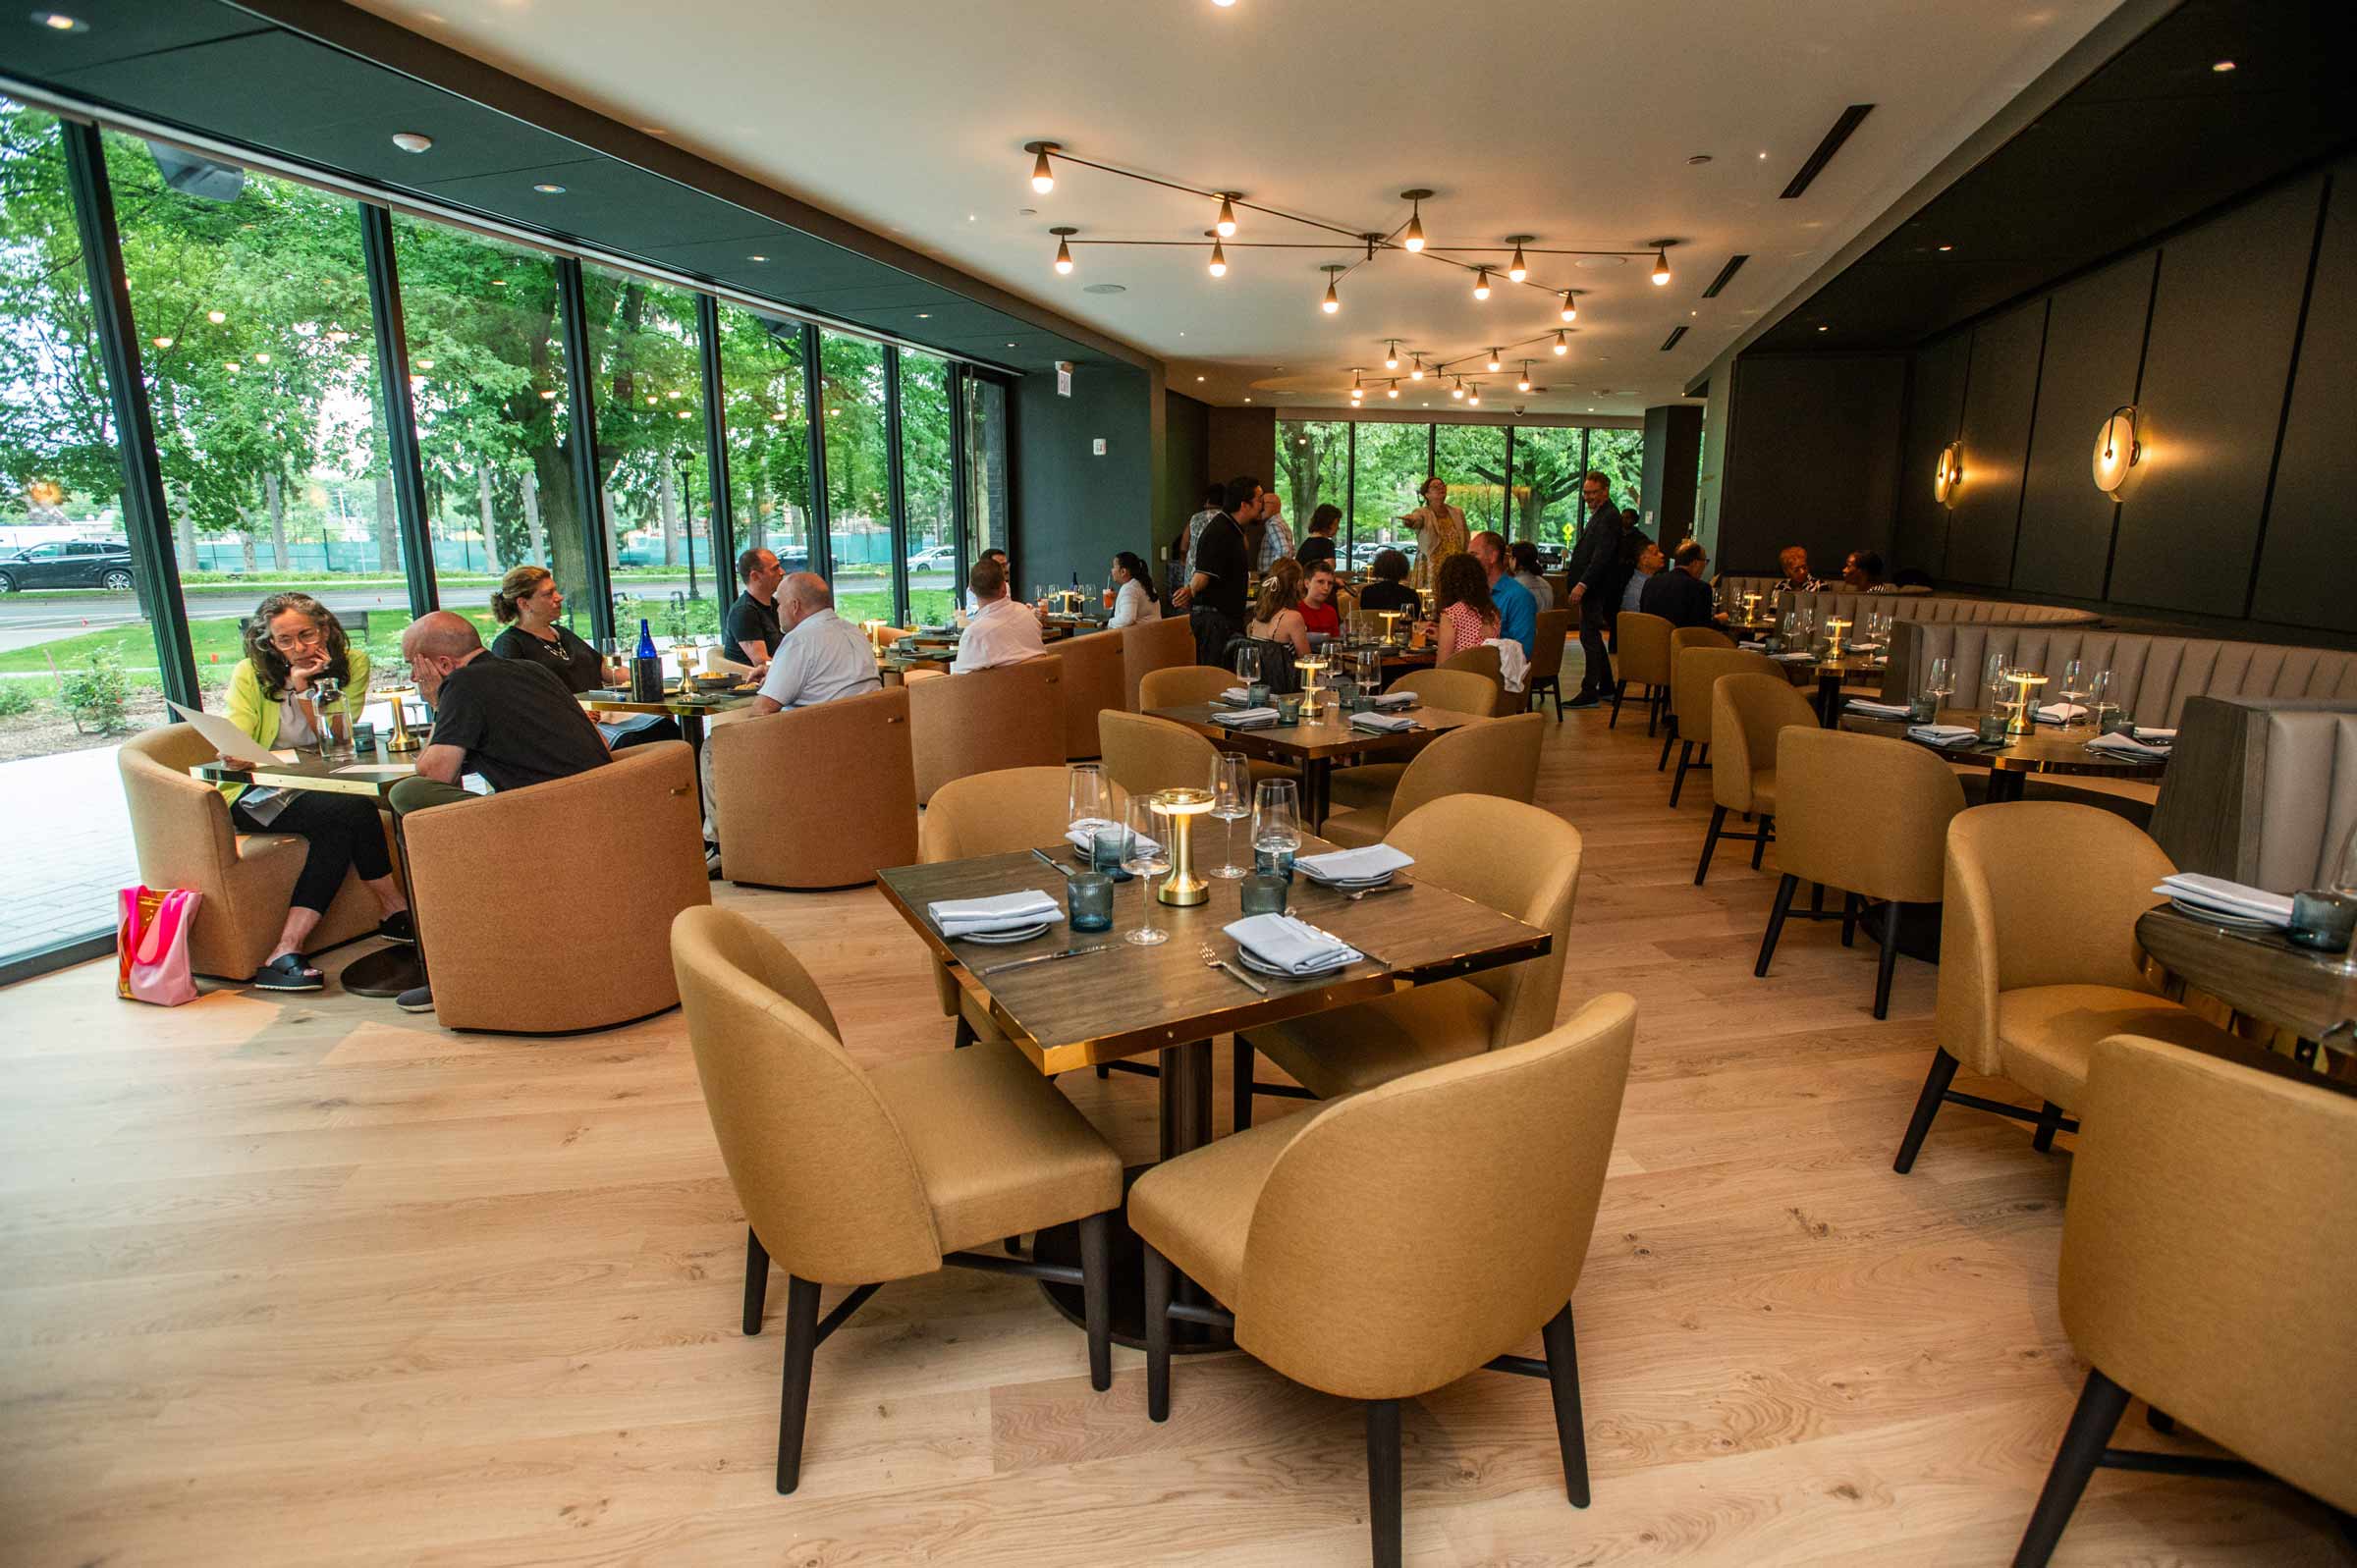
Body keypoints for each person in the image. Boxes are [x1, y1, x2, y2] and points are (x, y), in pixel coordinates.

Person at [386, 612, 616, 1012]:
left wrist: (435, 699)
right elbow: (598, 741)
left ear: (440, 664)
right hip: (600, 808)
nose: (412, 677)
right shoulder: (530, 669)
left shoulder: (462, 683)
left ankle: (443, 963)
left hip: (542, 822)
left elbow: (435, 773)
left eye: (413, 665)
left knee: (408, 794)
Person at [218, 592, 410, 992]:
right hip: (256, 795)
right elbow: (236, 732)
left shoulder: (352, 664)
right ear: (268, 642)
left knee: (342, 822)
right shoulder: (248, 674)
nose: (298, 647)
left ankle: (286, 950)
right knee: (352, 811)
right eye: (284, 640)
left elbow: (337, 738)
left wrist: (307, 689)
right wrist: (233, 750)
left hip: (320, 788)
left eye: (306, 635)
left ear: (324, 628)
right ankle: (396, 910)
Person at [487, 565, 677, 749]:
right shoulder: (509, 645)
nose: (559, 597)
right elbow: (520, 700)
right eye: (548, 593)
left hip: (603, 715)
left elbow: (605, 669)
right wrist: (572, 712)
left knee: (665, 728)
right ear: (524, 603)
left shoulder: (561, 633)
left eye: (556, 591)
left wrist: (653, 681)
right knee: (636, 740)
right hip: (566, 725)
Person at [1170, 475, 1259, 665]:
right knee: (1216, 677)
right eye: (1259, 500)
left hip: (1224, 619)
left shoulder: (1233, 528)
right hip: (1215, 621)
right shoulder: (1220, 531)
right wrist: (1189, 590)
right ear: (1244, 505)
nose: (1262, 505)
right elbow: (1203, 574)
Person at [1562, 469, 1626, 709]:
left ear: (1605, 491)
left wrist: (1582, 584)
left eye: (1593, 493)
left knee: (1589, 637)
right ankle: (1607, 686)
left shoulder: (1609, 517)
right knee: (1591, 637)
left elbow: (1601, 556)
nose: (1588, 498)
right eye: (1585, 493)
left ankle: (1590, 690)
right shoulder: (1602, 514)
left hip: (1596, 589)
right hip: (1595, 588)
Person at [951, 555, 1048, 673]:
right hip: (1042, 685)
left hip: (1001, 690)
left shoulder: (974, 634)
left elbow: (960, 684)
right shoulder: (1026, 614)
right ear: (1004, 588)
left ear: (971, 589)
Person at [1469, 530, 1536, 660]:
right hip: (1473, 663)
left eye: (1474, 555)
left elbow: (1522, 651)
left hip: (1496, 672)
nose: (1468, 561)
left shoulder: (1519, 596)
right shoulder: (1474, 592)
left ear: (1493, 557)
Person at [1640, 540, 1730, 630]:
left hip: (1652, 640)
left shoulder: (1650, 582)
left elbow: (1645, 619)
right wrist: (1718, 620)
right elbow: (1702, 629)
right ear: (1696, 563)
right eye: (1705, 561)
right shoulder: (1701, 588)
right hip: (1683, 643)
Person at [1430, 552, 1501, 664]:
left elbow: (1442, 665)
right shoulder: (1492, 613)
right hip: (1486, 677)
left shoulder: (1451, 614)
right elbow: (1472, 644)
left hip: (1461, 678)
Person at [725, 547, 787, 665]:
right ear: (755, 576)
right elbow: (762, 662)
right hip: (755, 680)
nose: (782, 572)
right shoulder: (744, 612)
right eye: (775, 569)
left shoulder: (774, 604)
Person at [1398, 476, 1467, 573]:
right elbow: (1416, 519)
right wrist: (1410, 520)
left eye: (1442, 485)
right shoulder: (1423, 512)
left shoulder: (1457, 512)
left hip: (1455, 566)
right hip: (1431, 565)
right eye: (1435, 487)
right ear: (1427, 495)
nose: (1440, 488)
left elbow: (1466, 538)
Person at [1245, 558, 1312, 657]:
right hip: (1286, 672)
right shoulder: (1293, 618)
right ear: (1297, 583)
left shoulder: (1258, 614)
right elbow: (1306, 659)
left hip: (1259, 671)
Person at [1356, 548, 1422, 622]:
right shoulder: (1410, 594)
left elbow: (1365, 618)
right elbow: (1419, 620)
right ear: (1404, 569)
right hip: (1402, 631)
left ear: (1378, 567)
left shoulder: (1367, 592)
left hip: (1375, 631)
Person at [1181, 480, 1227, 575]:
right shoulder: (1227, 519)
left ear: (1207, 500)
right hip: (1220, 575)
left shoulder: (1195, 519)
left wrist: (1187, 564)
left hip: (1194, 576)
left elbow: (1183, 547)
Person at [1106, 550, 1161, 629]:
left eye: (1114, 567)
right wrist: (1118, 598)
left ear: (1123, 571)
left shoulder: (1129, 588)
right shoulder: (1143, 584)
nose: (1112, 570)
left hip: (1140, 638)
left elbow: (1128, 619)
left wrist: (1109, 622)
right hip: (1154, 634)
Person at [1250, 491, 1295, 572]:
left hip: (1270, 577)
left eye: (1263, 503)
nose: (1260, 507)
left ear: (1272, 505)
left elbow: (1284, 551)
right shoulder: (1282, 523)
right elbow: (1291, 550)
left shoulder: (1272, 524)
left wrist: (1274, 573)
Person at [1618, 533, 1664, 616]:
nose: (1662, 555)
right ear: (1644, 560)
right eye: (1656, 553)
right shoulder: (1639, 588)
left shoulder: (1649, 581)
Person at [1297, 560, 1342, 637]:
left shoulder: (1331, 612)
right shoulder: (1296, 611)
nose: (1326, 588)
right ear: (1307, 583)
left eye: (1330, 583)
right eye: (1320, 582)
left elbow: (1336, 643)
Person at [961, 547, 1010, 617]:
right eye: (1000, 566)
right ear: (986, 567)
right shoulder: (977, 587)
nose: (1006, 570)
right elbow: (973, 614)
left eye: (1006, 564)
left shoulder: (1005, 585)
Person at [1510, 540, 1556, 613]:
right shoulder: (1547, 585)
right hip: (1546, 624)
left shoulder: (1514, 586)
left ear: (1515, 560)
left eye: (1511, 557)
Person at [1294, 504, 1342, 573]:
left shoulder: (1305, 545)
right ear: (1328, 523)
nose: (1338, 528)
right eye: (1336, 524)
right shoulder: (1327, 544)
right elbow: (1328, 573)